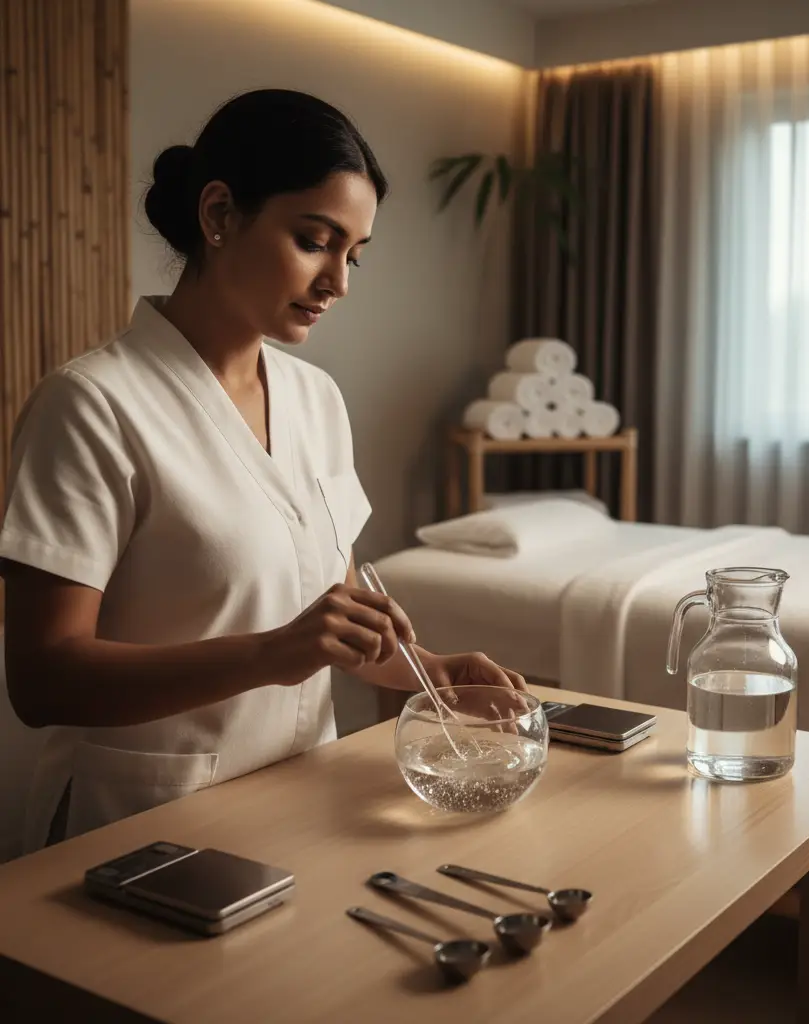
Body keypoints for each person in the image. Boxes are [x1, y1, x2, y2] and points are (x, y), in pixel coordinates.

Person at [0, 88, 527, 855]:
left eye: (354, 254)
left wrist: (430, 672)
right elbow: (44, 681)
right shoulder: (90, 406)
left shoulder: (317, 400)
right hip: (139, 825)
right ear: (218, 214)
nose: (338, 281)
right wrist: (272, 654)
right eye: (315, 241)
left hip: (300, 805)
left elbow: (336, 624)